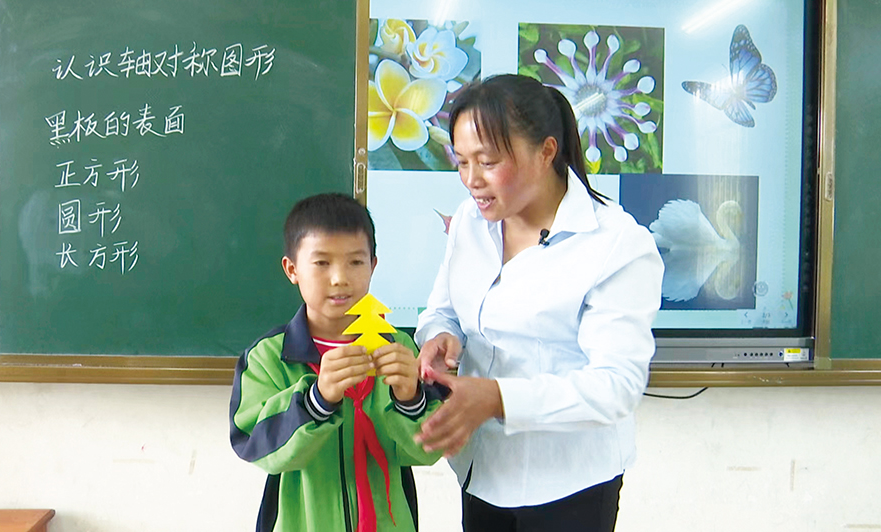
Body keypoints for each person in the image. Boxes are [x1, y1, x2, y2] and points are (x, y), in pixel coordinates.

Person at [413, 74, 664, 532]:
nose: (472, 181)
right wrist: (439, 337)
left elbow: (616, 385)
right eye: (461, 162)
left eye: (488, 162)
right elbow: (442, 309)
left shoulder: (617, 245)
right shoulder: (472, 220)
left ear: (547, 152)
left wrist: (497, 398)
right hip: (481, 469)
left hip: (570, 484)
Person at [230, 192, 441, 532]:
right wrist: (316, 400)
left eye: (355, 262)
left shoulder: (399, 347)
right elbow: (257, 447)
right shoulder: (270, 356)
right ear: (292, 269)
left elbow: (427, 452)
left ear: (374, 265)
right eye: (322, 263)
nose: (340, 277)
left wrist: (411, 400)